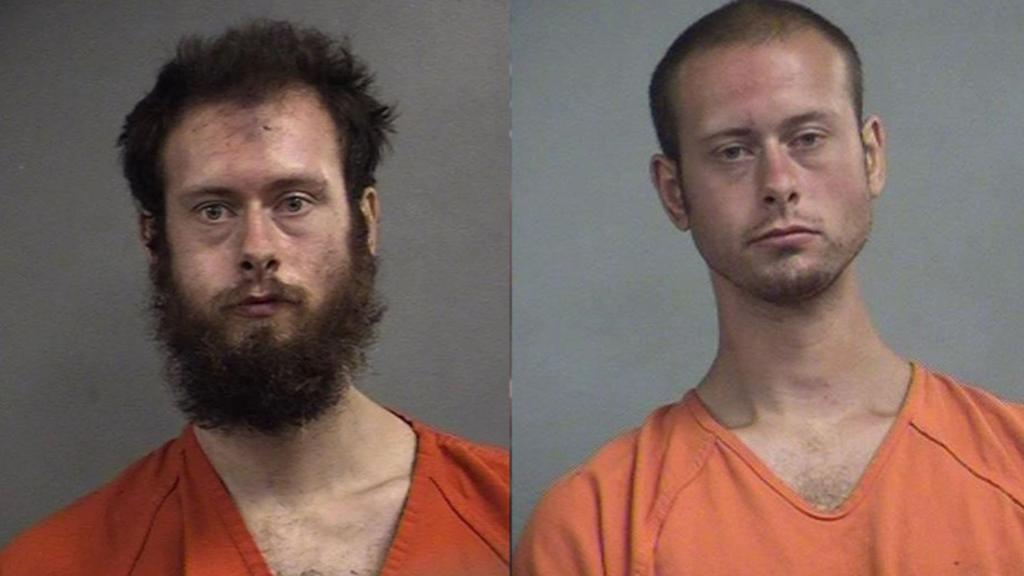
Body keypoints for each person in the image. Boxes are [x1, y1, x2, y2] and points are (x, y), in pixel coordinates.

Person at [514, 1, 1024, 573]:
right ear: (675, 193)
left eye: (807, 138)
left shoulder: (1013, 464)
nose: (779, 183)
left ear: (871, 157)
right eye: (733, 151)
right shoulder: (592, 528)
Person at [1, 21, 508, 576]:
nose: (258, 249)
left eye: (294, 202)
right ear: (154, 239)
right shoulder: (52, 564)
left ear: (365, 220)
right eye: (213, 210)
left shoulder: (514, 517)